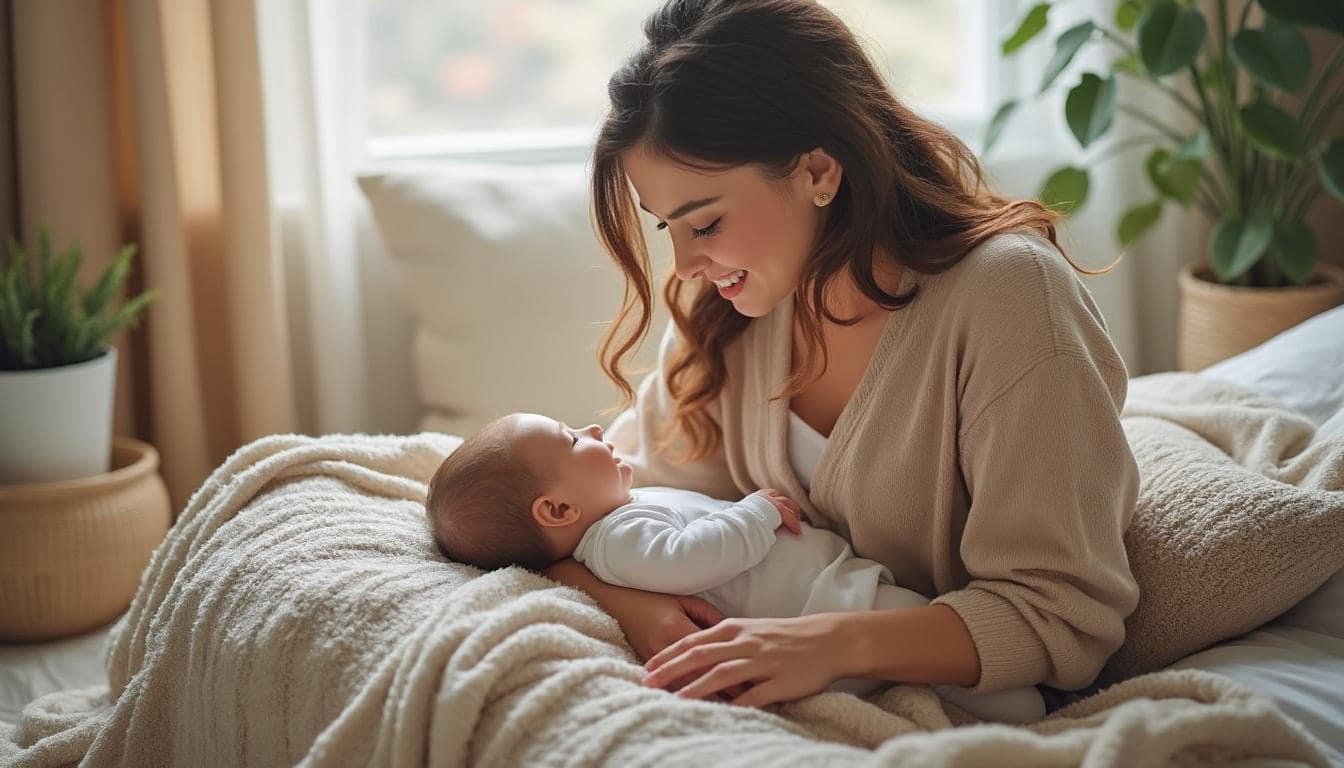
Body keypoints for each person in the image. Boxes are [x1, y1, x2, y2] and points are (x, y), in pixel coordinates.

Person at [543, 0, 1141, 711]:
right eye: (668, 226)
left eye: (705, 221)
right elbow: (599, 515)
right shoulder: (732, 313)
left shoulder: (1009, 296)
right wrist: (624, 601)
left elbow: (1061, 614)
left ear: (819, 171)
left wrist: (828, 647)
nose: (684, 263)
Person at [425, 412, 1047, 723]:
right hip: (826, 608)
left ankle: (1014, 705)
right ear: (557, 508)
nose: (593, 426)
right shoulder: (616, 541)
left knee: (928, 651)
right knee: (928, 638)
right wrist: (756, 513)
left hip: (834, 595)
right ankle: (1028, 713)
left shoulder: (619, 514)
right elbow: (690, 559)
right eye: (570, 438)